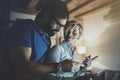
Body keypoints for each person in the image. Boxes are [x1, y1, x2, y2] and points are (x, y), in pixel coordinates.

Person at [1, 0, 75, 80]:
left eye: (61, 26)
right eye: (58, 24)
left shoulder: (47, 39)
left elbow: (44, 68)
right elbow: (23, 71)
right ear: (46, 15)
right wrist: (60, 66)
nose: (59, 29)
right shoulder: (24, 27)